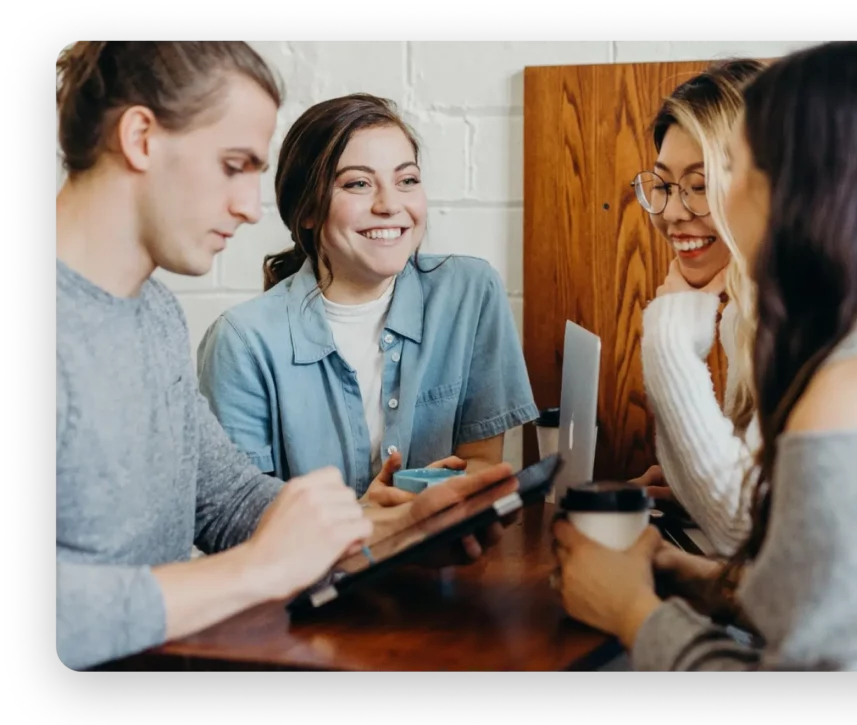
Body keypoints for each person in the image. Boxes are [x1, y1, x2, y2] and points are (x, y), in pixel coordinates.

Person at [55, 41, 516, 672]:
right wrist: (256, 571)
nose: (250, 208)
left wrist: (384, 535)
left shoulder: (152, 312)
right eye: (232, 166)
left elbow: (226, 499)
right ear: (140, 138)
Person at [553, 40, 857, 672]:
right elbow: (839, 601)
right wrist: (698, 580)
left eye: (731, 170)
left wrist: (633, 613)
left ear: (808, 186)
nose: (706, 202)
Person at [195, 93, 539, 506]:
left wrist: (430, 506)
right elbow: (239, 515)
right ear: (307, 210)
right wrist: (370, 519)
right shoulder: (241, 342)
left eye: (406, 180)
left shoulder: (470, 293)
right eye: (358, 183)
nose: (390, 205)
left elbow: (482, 462)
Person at [627, 60, 766, 556]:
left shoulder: (809, 316)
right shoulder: (745, 312)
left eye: (701, 185)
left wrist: (669, 338)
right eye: (663, 185)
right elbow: (751, 506)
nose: (671, 212)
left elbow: (742, 527)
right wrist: (692, 487)